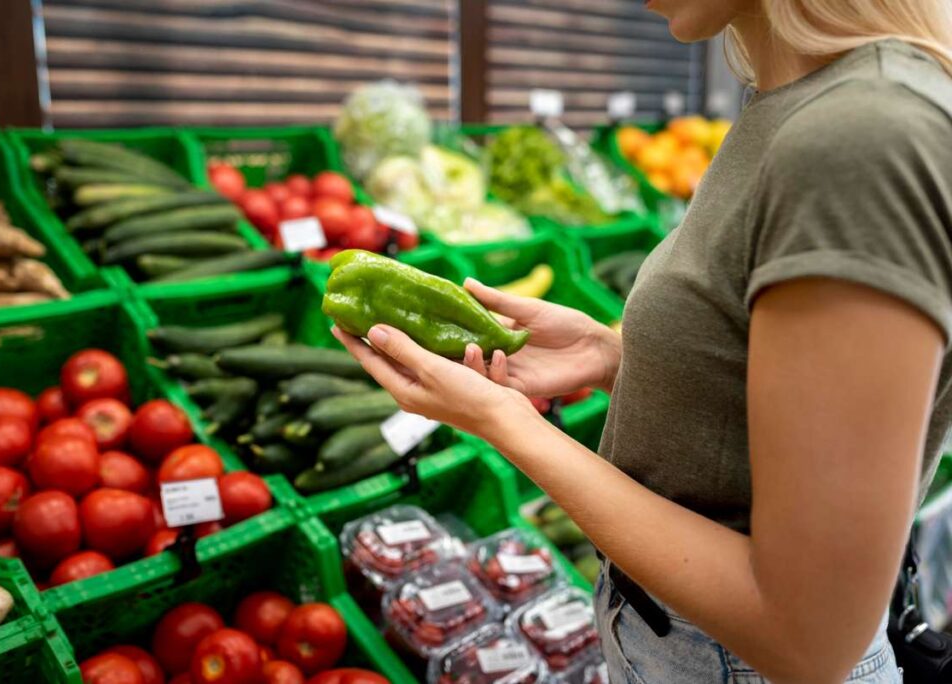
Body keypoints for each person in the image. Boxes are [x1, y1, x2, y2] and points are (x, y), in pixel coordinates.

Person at [332, 1, 952, 681]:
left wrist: (505, 425)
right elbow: (767, 408)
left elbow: (808, 638)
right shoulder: (796, 101)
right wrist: (612, 357)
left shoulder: (861, 136)